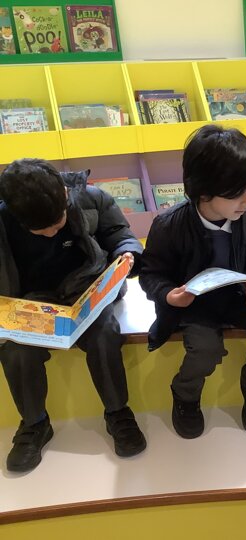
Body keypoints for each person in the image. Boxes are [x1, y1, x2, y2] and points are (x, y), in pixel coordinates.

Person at [0, 159, 146, 472]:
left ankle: (118, 412)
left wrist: (127, 253)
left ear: (65, 193)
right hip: (31, 300)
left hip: (85, 289)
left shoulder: (92, 198)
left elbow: (119, 233)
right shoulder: (3, 220)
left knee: (104, 332)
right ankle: (34, 424)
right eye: (39, 230)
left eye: (57, 221)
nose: (51, 232)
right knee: (15, 350)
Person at [139, 125, 246, 439]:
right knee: (205, 349)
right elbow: (150, 273)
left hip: (238, 300)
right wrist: (169, 295)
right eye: (236, 194)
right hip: (194, 306)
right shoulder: (169, 226)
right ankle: (185, 394)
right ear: (203, 192)